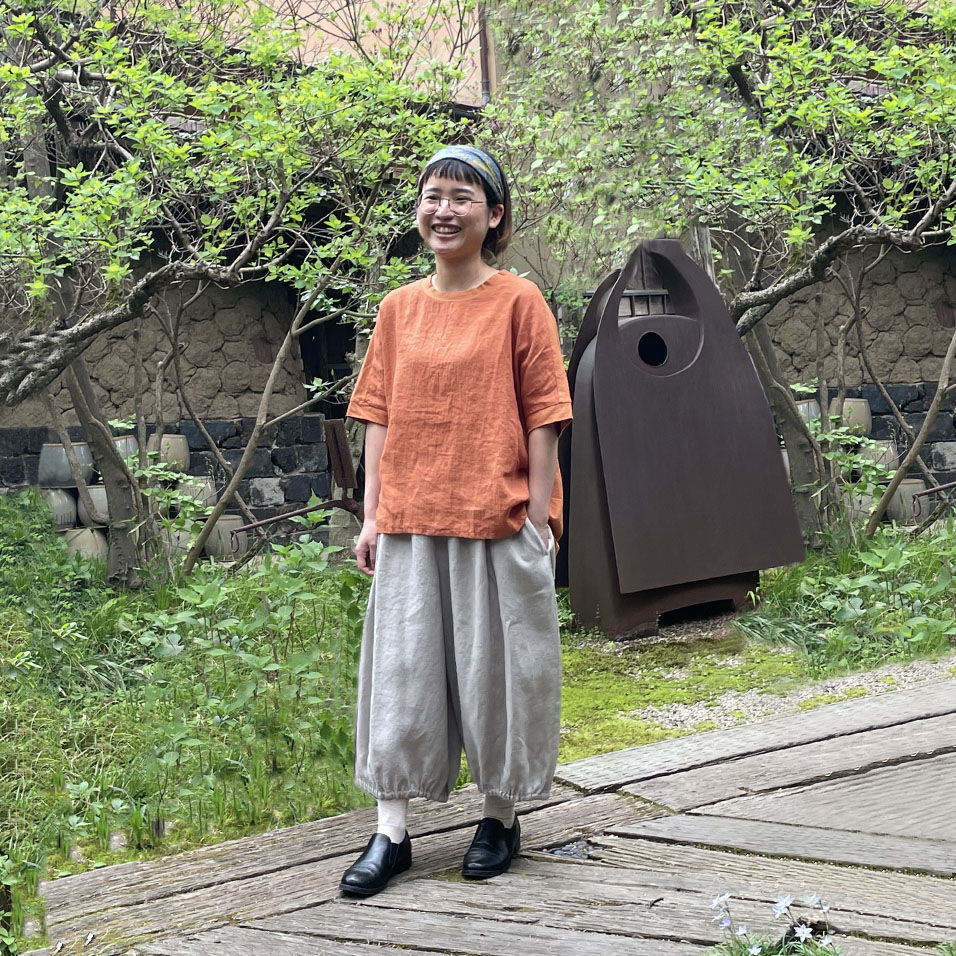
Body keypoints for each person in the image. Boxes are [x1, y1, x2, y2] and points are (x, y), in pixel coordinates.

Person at [339, 144, 572, 897]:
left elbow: (546, 415)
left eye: (462, 198)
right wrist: (372, 516)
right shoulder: (398, 309)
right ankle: (391, 832)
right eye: (433, 196)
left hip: (497, 519)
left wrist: (540, 516)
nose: (443, 211)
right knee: (402, 678)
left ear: (494, 216)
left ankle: (499, 817)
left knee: (498, 677)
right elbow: (377, 416)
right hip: (411, 520)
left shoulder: (519, 301)